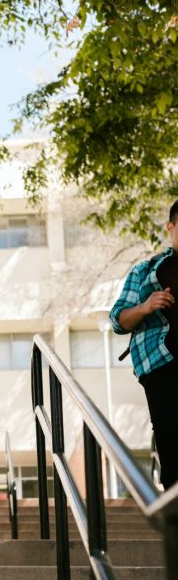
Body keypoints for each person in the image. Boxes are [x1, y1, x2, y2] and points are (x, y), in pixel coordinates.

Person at [110, 199, 178, 491]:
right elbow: (117, 320)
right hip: (162, 364)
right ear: (170, 227)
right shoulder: (146, 271)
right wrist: (146, 306)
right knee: (172, 442)